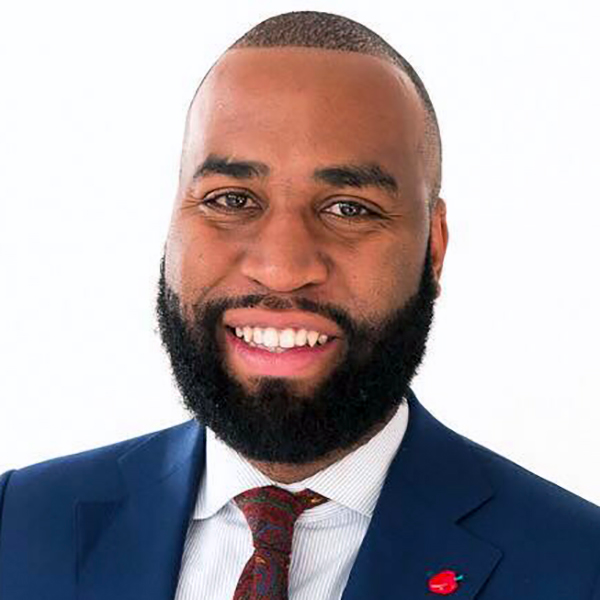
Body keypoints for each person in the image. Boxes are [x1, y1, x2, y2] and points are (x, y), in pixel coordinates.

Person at [1, 10, 599, 599]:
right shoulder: (16, 525)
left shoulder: (579, 566)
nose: (282, 269)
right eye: (232, 199)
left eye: (349, 209)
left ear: (433, 249)